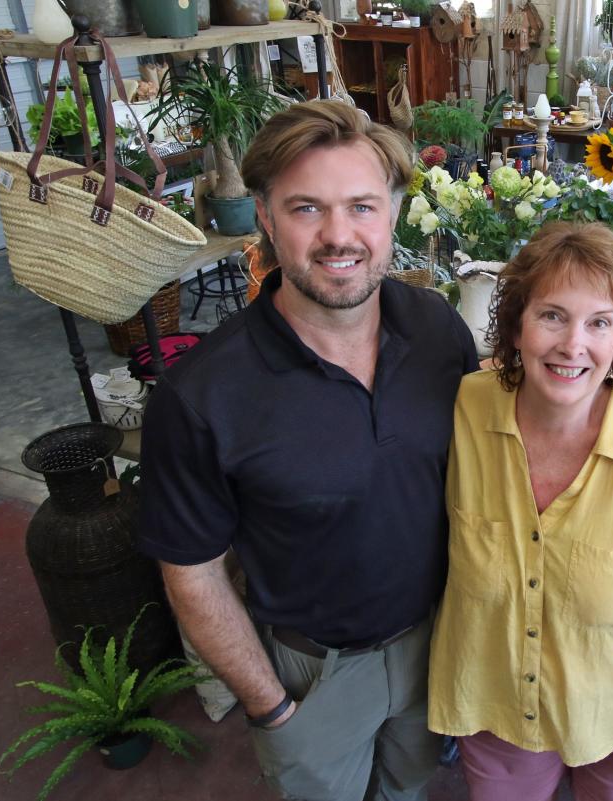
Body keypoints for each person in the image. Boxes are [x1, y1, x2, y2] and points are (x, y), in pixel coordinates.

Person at [137, 100, 478, 801]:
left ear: (392, 215)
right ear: (263, 216)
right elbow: (192, 576)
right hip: (312, 674)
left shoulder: (440, 332)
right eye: (305, 209)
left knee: (410, 791)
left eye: (361, 206)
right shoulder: (204, 394)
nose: (338, 236)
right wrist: (271, 706)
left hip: (437, 642)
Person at [428, 221, 613, 800]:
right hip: (496, 709)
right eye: (552, 316)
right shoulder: (466, 408)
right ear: (516, 326)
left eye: (599, 323)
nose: (573, 345)